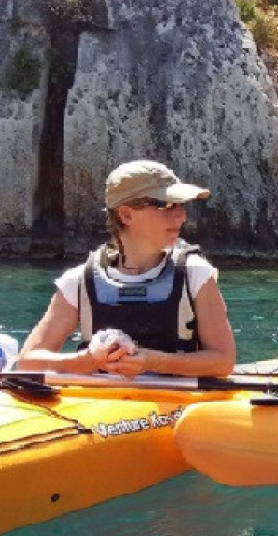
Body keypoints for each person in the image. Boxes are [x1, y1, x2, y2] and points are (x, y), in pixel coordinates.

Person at [16, 160, 236, 378]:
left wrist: (153, 361)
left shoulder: (196, 275)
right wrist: (88, 361)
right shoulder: (78, 281)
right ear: (126, 215)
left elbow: (223, 361)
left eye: (180, 205)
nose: (181, 216)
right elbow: (28, 361)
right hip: (101, 399)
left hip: (176, 400)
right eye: (166, 205)